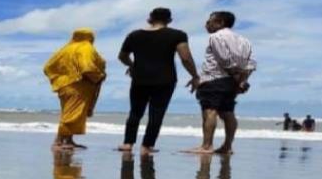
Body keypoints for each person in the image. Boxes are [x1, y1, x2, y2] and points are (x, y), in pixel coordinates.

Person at [118, 8, 199, 155]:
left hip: (140, 78)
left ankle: (127, 143)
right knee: (157, 113)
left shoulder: (134, 35)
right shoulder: (177, 35)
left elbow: (122, 56)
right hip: (165, 79)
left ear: (150, 18)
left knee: (135, 112)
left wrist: (132, 66)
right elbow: (185, 58)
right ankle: (146, 146)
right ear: (169, 20)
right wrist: (195, 76)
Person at [186, 11, 257, 155]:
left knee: (209, 110)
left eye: (210, 21)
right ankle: (227, 146)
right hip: (231, 82)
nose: (206, 24)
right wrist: (242, 80)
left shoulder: (216, 36)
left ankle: (207, 146)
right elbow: (251, 64)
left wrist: (236, 76)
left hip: (214, 79)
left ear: (220, 23)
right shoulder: (244, 40)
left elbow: (224, 60)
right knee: (228, 112)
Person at [42, 28, 106, 150]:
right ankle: (59, 142)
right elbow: (87, 67)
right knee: (73, 114)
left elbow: (47, 67)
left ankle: (68, 140)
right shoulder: (86, 48)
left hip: (64, 86)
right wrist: (99, 76)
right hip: (79, 85)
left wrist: (60, 78)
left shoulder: (65, 50)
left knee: (68, 112)